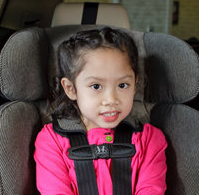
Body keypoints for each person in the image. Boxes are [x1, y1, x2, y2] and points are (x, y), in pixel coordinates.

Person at [34, 27, 167, 195]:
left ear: (135, 84)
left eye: (122, 85)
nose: (111, 99)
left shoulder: (150, 139)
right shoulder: (51, 140)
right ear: (71, 89)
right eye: (96, 86)